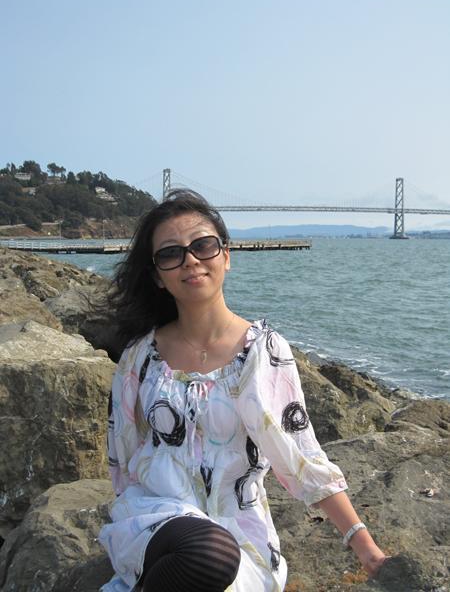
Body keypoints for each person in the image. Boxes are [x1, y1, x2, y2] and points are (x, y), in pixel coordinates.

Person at [98, 190, 387, 592]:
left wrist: (364, 545)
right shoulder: (140, 358)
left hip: (239, 536)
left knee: (216, 560)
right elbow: (123, 456)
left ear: (226, 256)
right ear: (158, 277)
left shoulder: (264, 352)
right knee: (204, 552)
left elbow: (300, 455)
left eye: (203, 245)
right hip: (155, 522)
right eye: (171, 254)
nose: (191, 260)